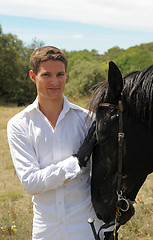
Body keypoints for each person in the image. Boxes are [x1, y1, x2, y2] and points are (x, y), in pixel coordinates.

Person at [7, 46, 113, 240]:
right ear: (33, 76)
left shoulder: (87, 120)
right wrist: (76, 162)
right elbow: (31, 183)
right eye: (46, 75)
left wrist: (109, 227)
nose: (54, 82)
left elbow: (106, 174)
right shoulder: (19, 125)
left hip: (86, 226)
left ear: (67, 75)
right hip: (46, 229)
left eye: (60, 74)